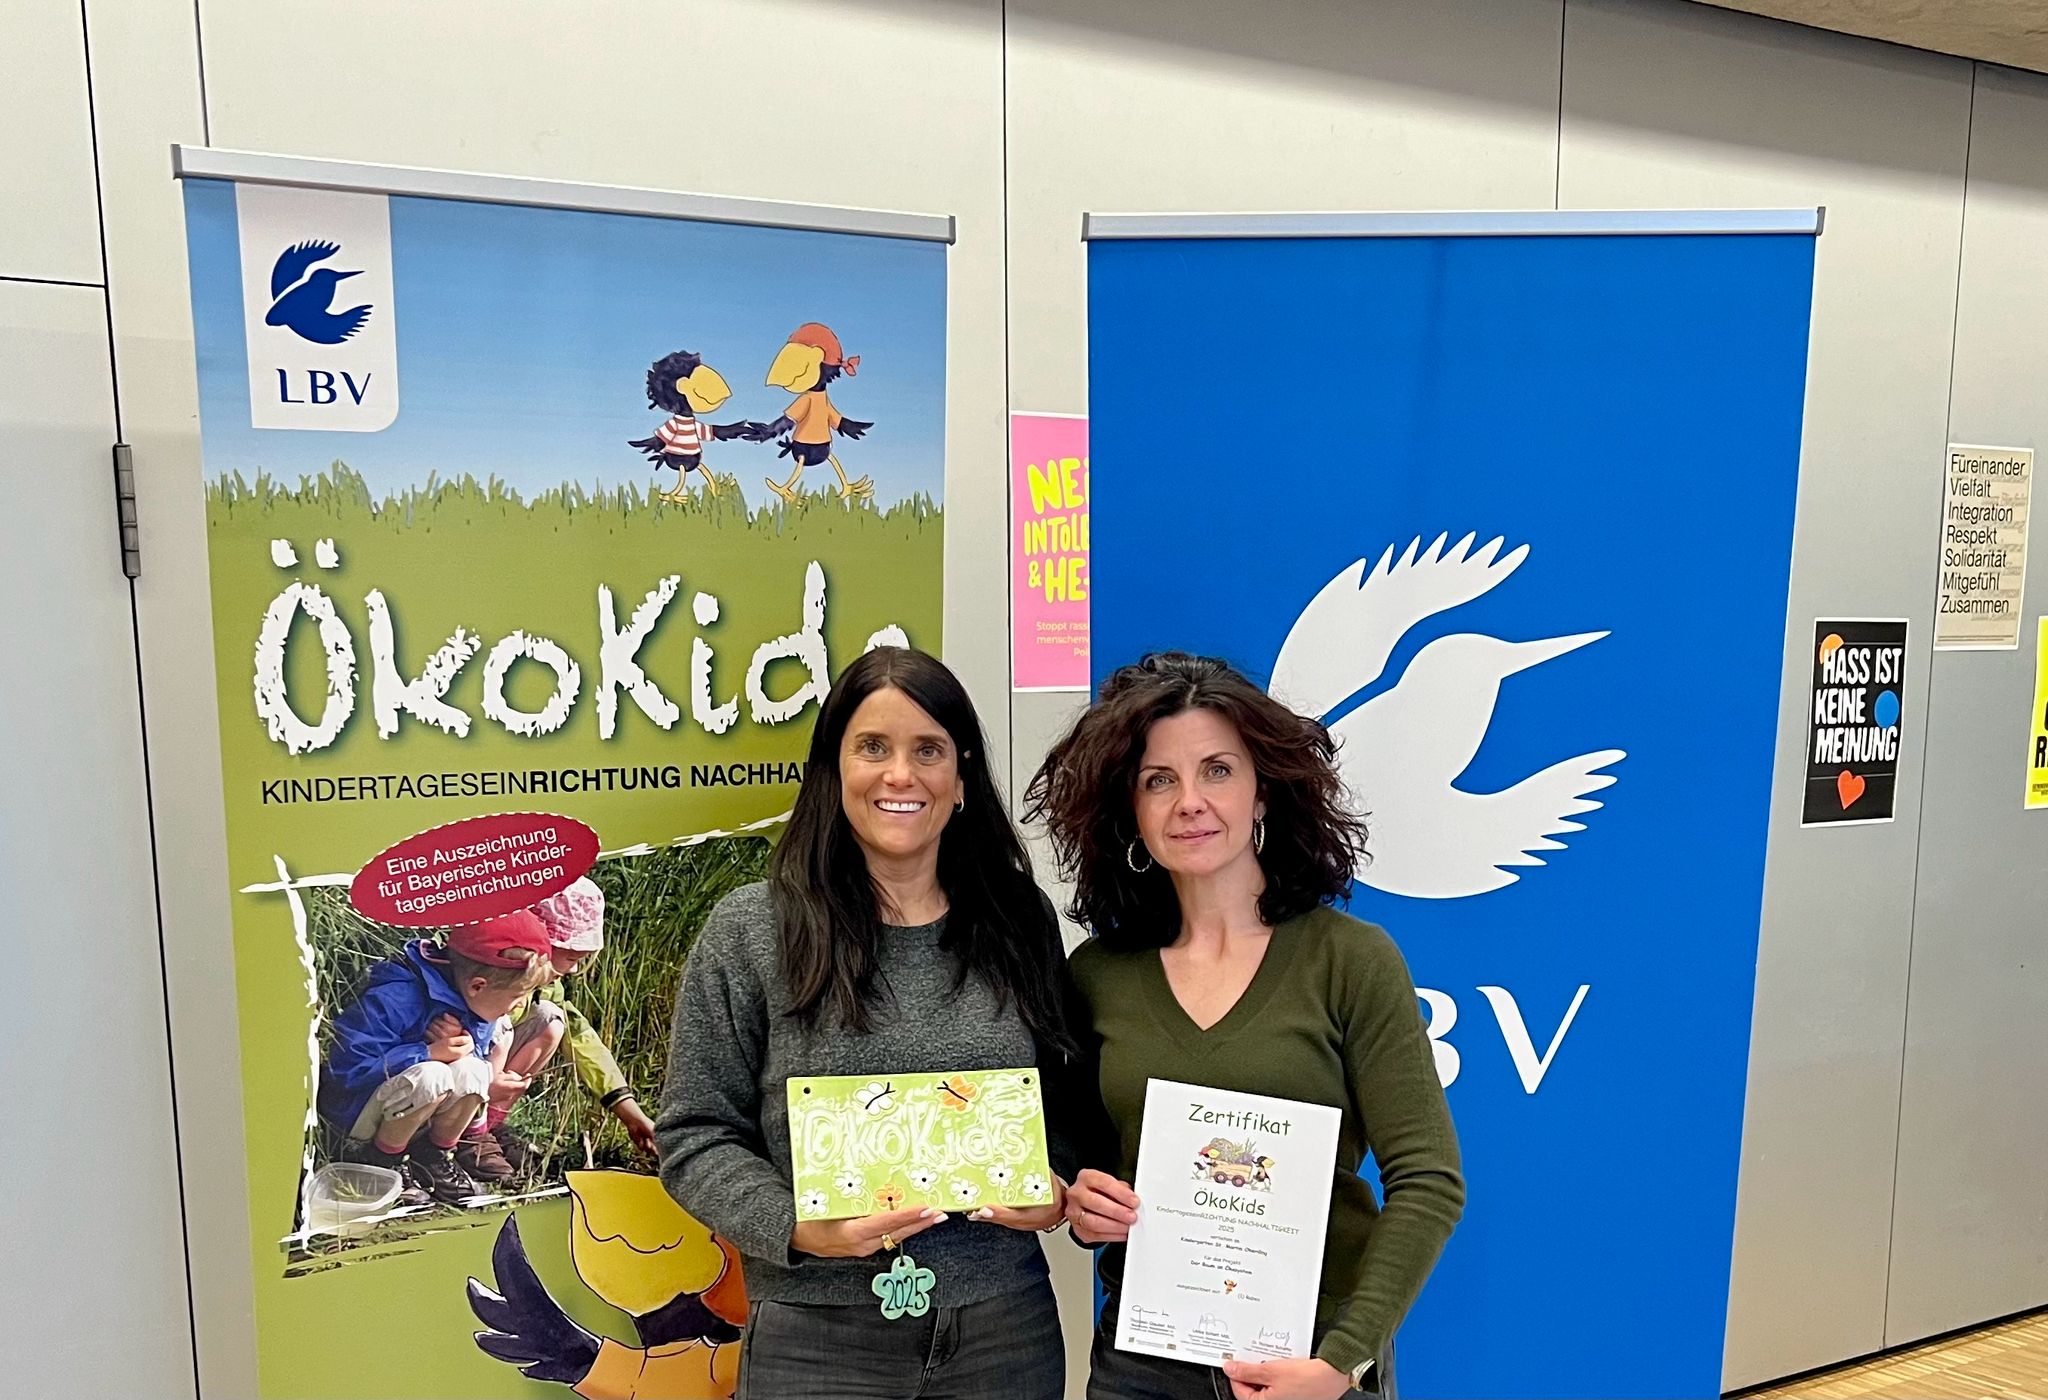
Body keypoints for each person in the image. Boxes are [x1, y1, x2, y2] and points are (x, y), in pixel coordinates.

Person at [1026, 651, 1464, 1400]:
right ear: (1130, 810)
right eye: (1158, 780)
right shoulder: (1098, 974)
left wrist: (1342, 1361)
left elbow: (1429, 1181)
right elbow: (1082, 1153)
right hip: (1142, 1367)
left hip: (1309, 1367)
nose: (1189, 802)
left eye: (1218, 771)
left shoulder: (1350, 960)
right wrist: (1084, 1199)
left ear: (1263, 792)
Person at [658, 646, 1077, 1400]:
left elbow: (1066, 1100)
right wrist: (793, 1224)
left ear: (961, 777)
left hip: (1003, 1331)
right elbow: (694, 1134)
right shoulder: (752, 931)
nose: (900, 775)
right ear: (833, 769)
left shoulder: (1019, 918)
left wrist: (1056, 1190)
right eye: (873, 748)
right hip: (816, 1341)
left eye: (928, 750)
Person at [318, 910, 554, 1205]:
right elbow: (346, 1069)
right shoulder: (397, 996)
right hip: (355, 1115)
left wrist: (466, 1040)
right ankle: (381, 1163)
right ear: (477, 985)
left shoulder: (474, 1000)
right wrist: (426, 1052)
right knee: (433, 1075)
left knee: (474, 1069)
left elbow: (474, 1062)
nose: (521, 1004)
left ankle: (432, 1158)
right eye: (518, 994)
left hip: (408, 1116)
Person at [456, 877, 660, 1183]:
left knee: (552, 1021)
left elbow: (580, 1038)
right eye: (571, 956)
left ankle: (488, 1127)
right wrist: (484, 1083)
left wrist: (630, 1113)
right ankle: (464, 1137)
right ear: (540, 942)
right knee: (511, 1025)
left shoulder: (547, 988)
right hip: (457, 1077)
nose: (574, 969)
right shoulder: (490, 975)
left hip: (482, 1072)